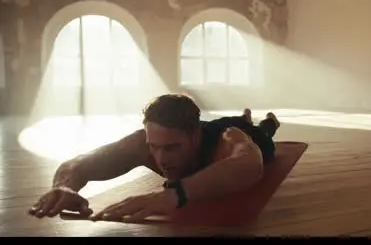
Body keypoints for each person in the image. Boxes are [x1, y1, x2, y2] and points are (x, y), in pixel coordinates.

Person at [28, 94, 281, 222]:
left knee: (264, 134)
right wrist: (64, 186)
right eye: (155, 147)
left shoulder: (227, 139)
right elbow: (79, 162)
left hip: (248, 134)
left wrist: (175, 194)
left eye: (171, 148)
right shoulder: (143, 144)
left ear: (194, 137)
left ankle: (266, 122)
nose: (160, 159)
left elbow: (251, 164)